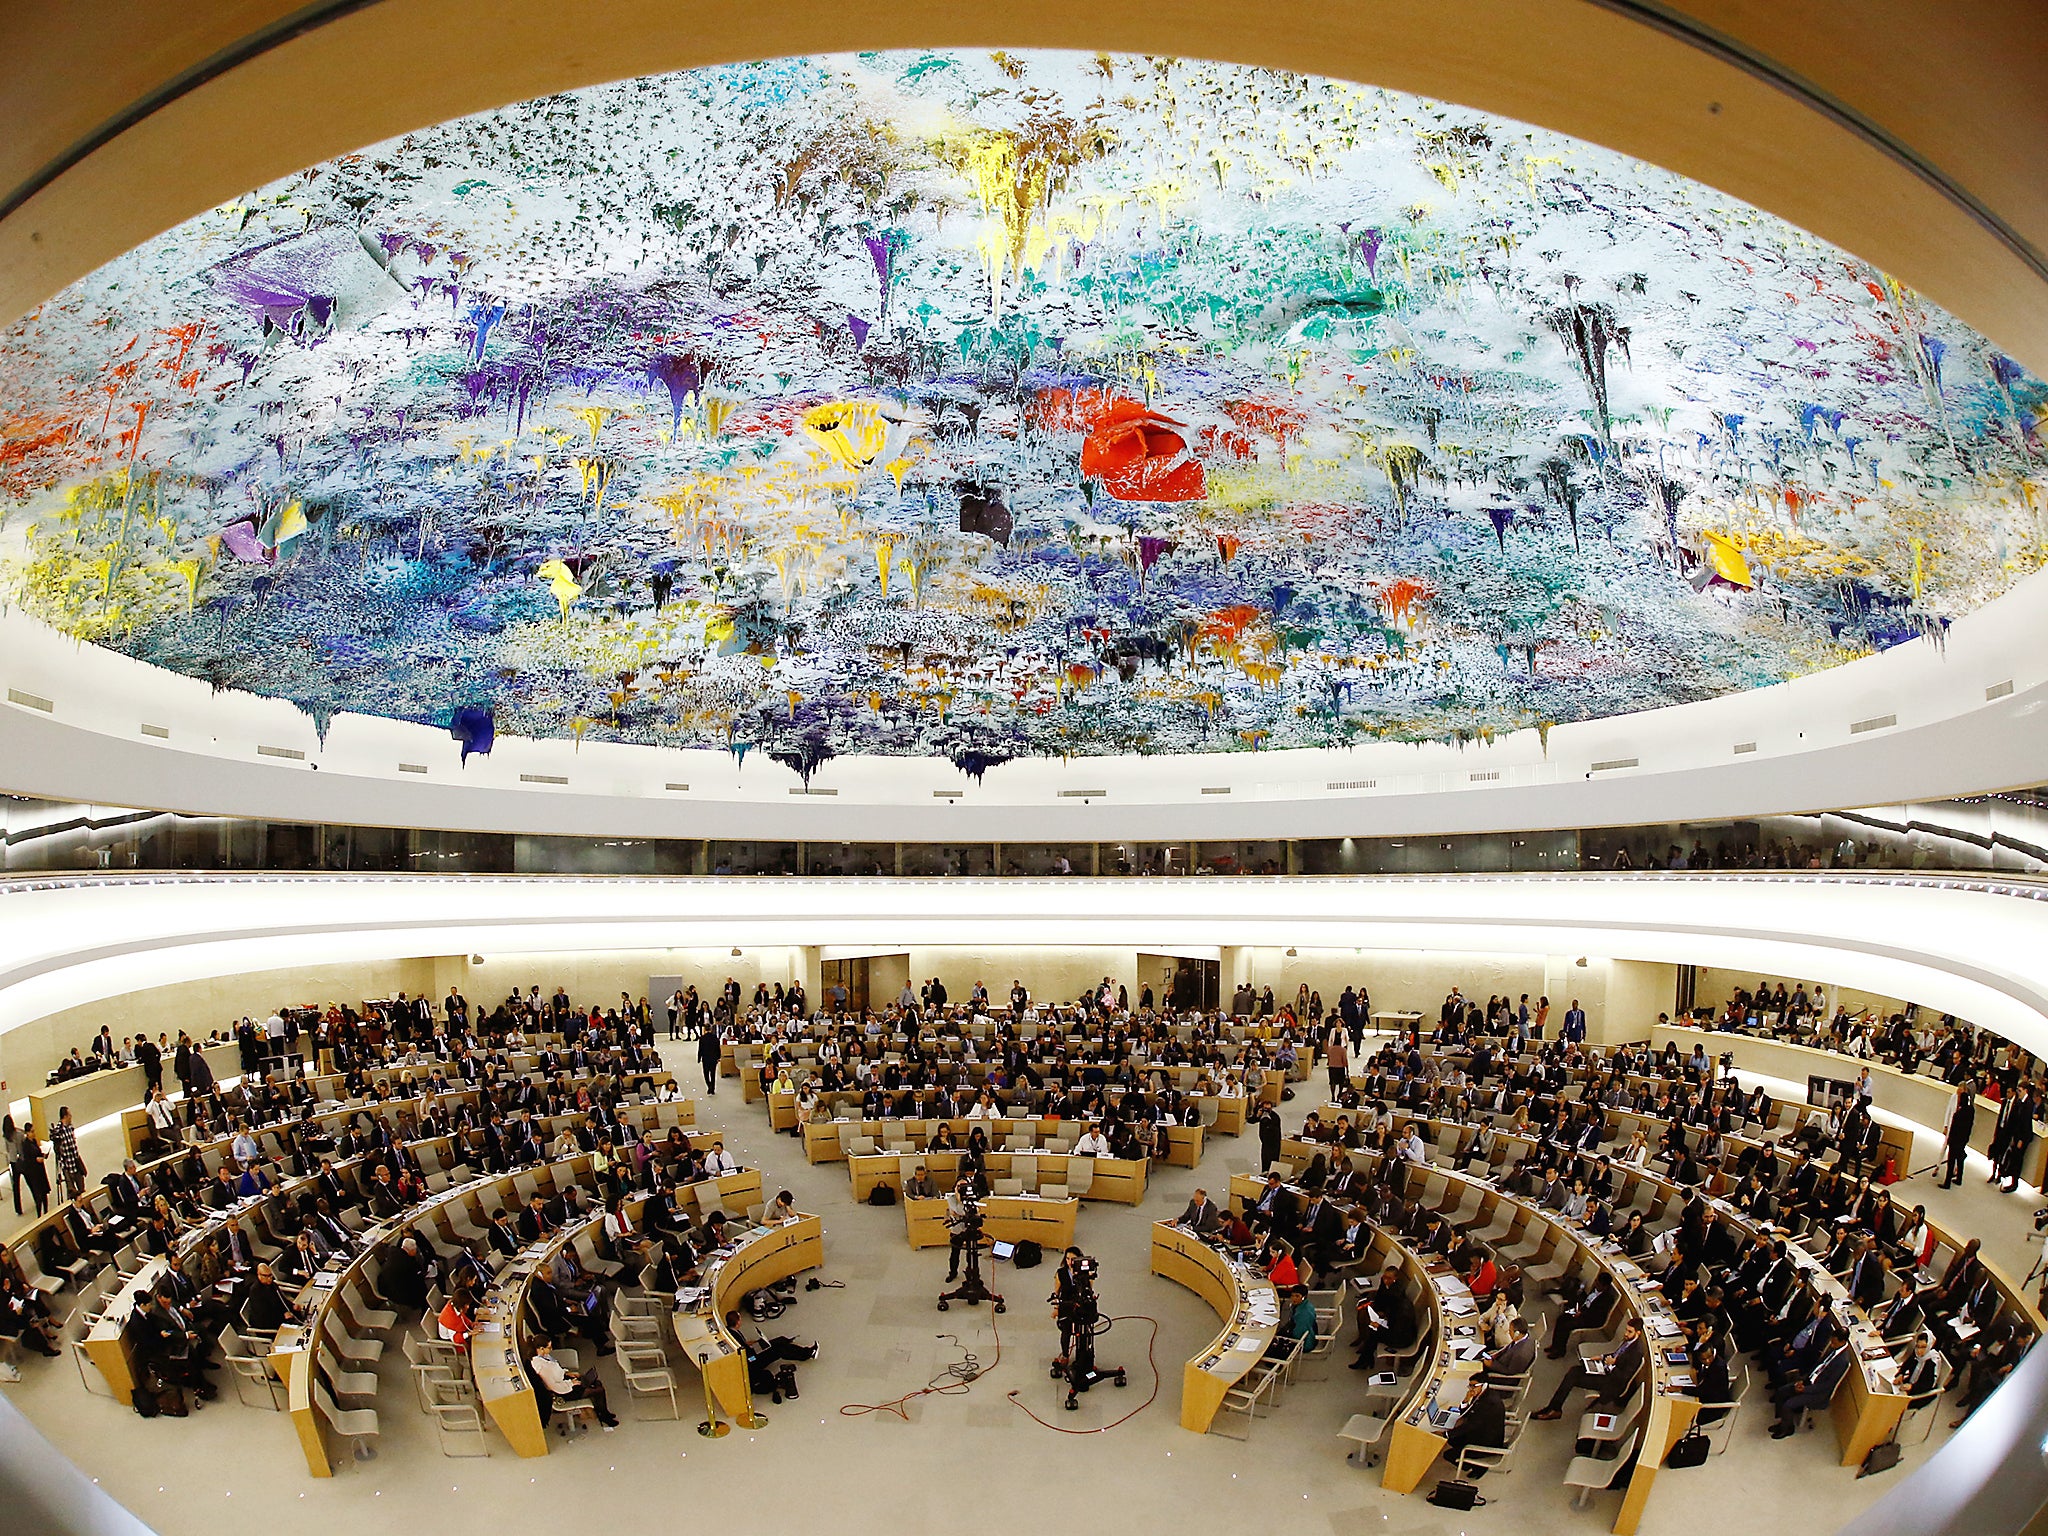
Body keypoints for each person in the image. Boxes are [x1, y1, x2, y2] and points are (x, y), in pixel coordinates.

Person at [1531, 1316, 1644, 1419]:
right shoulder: (1629, 1340)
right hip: (1606, 1368)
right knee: (1574, 1370)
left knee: (1573, 1376)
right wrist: (1602, 1357)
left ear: (1638, 1333)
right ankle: (1554, 1408)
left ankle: (1554, 1409)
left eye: (1630, 1331)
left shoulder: (1636, 1352)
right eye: (1626, 1330)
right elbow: (1616, 1354)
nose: (1626, 1333)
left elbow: (1624, 1377)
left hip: (1611, 1381)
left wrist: (1612, 1365)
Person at [528, 1337, 618, 1429]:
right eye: (549, 1347)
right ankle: (604, 1416)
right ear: (541, 1349)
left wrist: (567, 1373)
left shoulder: (545, 1357)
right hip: (564, 1391)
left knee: (596, 1382)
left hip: (565, 1380)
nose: (551, 1349)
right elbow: (554, 1387)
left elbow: (556, 1369)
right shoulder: (542, 1367)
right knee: (599, 1390)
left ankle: (603, 1412)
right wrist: (571, 1383)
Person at [1444, 1376, 1509, 1469]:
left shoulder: (1488, 1402)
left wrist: (1446, 1434)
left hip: (1487, 1443)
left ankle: (1473, 1466)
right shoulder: (1483, 1394)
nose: (1471, 1389)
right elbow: (1467, 1414)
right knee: (1452, 1439)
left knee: (1448, 1454)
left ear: (1483, 1385)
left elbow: (1471, 1425)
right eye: (1470, 1386)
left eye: (1474, 1386)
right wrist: (1466, 1400)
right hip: (1482, 1433)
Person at [48, 1108, 85, 1203]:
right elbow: (54, 1141)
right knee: (71, 1191)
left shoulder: (70, 1127)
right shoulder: (58, 1131)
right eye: (69, 1115)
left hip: (75, 1162)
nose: (71, 1117)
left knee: (82, 1188)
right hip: (67, 1165)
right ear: (65, 1116)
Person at [696, 1024, 722, 1095]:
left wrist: (699, 1058)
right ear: (711, 1029)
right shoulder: (715, 1037)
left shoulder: (702, 1038)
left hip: (705, 1058)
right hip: (713, 1058)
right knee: (713, 1074)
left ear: (704, 1029)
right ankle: (712, 1088)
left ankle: (709, 1086)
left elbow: (700, 1049)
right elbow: (718, 1048)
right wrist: (719, 1057)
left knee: (706, 1073)